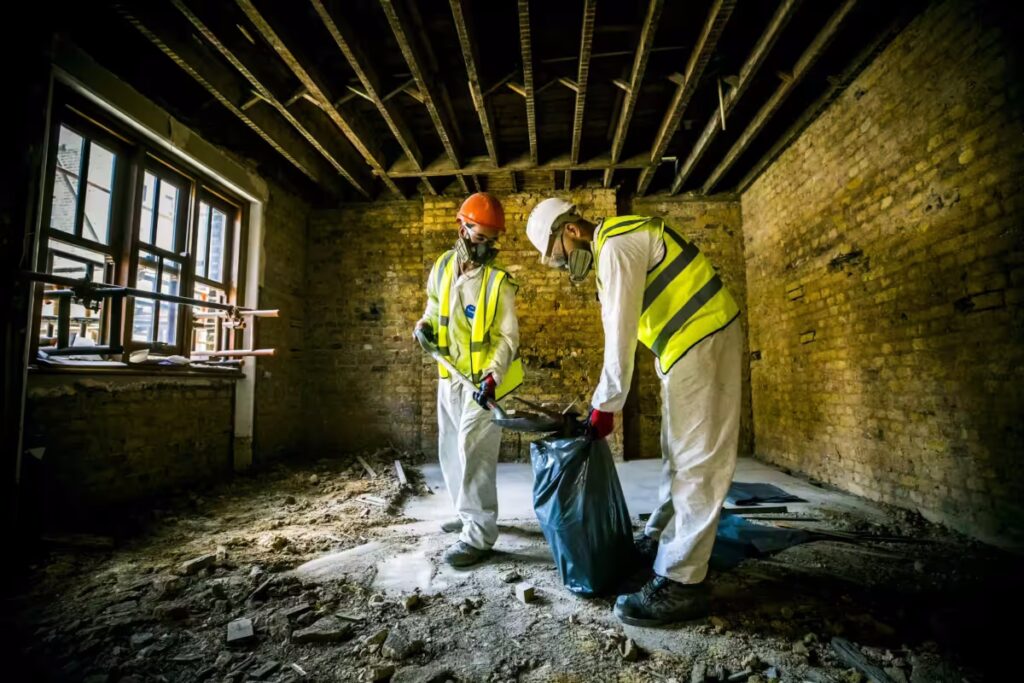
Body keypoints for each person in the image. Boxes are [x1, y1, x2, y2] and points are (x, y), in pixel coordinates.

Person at [525, 198, 742, 625]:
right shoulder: (614, 245)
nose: (565, 267)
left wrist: (605, 406)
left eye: (559, 258)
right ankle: (662, 537)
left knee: (697, 460)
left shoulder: (617, 246)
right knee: (677, 455)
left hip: (702, 336)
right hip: (684, 347)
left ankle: (683, 581)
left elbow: (618, 333)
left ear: (569, 230)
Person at [414, 192, 523, 567]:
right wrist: (424, 324)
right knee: (451, 449)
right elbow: (432, 303)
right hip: (450, 377)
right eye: (479, 238)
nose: (485, 247)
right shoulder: (444, 265)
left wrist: (493, 377)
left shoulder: (498, 281)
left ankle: (479, 535)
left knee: (474, 451)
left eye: (492, 241)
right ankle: (465, 515)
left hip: (485, 386)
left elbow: (508, 338)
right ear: (462, 227)